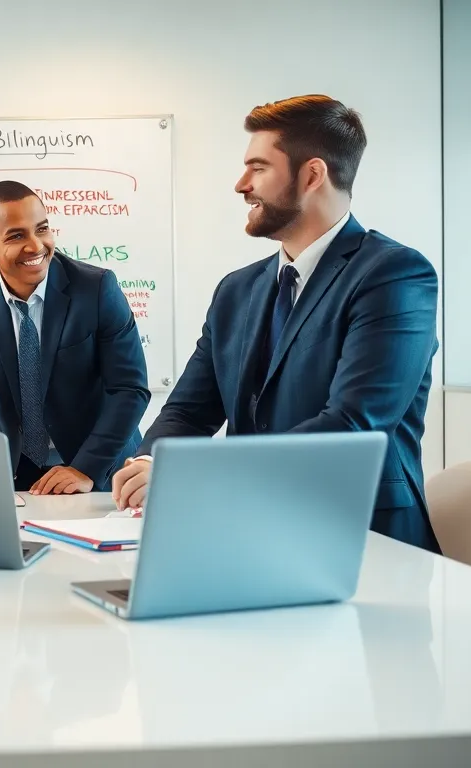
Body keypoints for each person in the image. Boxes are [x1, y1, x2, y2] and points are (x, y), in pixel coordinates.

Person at [111, 95, 441, 553]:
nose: (241, 184)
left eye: (258, 167)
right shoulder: (237, 290)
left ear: (312, 175)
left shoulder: (394, 275)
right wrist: (151, 462)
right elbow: (188, 410)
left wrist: (191, 473)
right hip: (253, 530)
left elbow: (353, 426)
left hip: (362, 539)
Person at [0, 180, 149, 495]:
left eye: (42, 229)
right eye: (16, 235)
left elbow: (129, 389)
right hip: (16, 464)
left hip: (97, 465)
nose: (36, 246)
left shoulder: (96, 288)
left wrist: (85, 468)